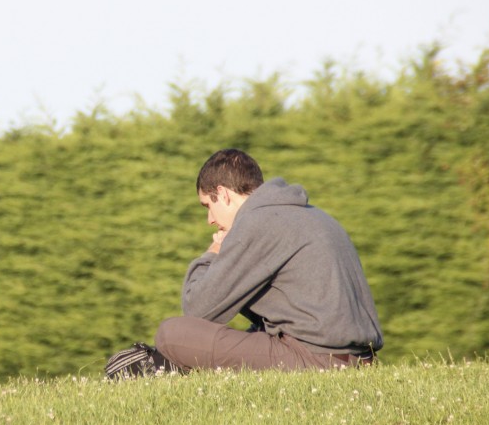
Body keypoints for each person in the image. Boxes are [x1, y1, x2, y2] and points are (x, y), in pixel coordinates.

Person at [149, 148, 383, 373]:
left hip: (318, 358)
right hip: (359, 357)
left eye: (208, 206)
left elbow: (197, 309)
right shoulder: (313, 215)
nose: (210, 219)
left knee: (171, 334)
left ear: (223, 194)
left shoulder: (257, 222)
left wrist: (215, 249)